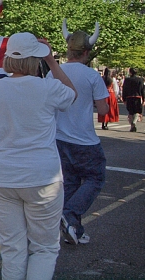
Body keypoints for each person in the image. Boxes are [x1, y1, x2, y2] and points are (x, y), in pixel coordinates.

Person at [0, 32, 76, 280]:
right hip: (42, 176)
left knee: (11, 247)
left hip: (1, 176)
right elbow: (72, 94)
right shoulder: (48, 88)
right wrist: (52, 61)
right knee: (44, 247)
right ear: (36, 60)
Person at [54, 22, 109, 246]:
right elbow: (104, 109)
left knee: (71, 183)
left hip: (59, 137)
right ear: (86, 52)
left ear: (68, 51)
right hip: (84, 139)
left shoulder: (55, 72)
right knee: (96, 178)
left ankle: (73, 228)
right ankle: (70, 215)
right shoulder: (92, 76)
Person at [121, 67, 145, 132]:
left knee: (130, 112)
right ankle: (134, 122)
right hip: (137, 97)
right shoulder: (140, 80)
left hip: (129, 97)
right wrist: (143, 98)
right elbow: (142, 90)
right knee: (137, 111)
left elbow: (124, 89)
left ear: (130, 72)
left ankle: (132, 125)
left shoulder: (127, 80)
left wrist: (124, 98)